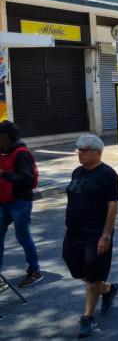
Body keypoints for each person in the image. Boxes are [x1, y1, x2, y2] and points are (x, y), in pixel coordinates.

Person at [63, 135, 118, 338]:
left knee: (94, 273)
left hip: (96, 234)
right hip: (73, 232)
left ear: (98, 152)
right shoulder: (77, 172)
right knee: (75, 268)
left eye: (85, 150)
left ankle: (88, 317)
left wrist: (106, 235)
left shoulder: (108, 174)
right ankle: (107, 289)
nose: (80, 153)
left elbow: (112, 206)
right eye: (78, 149)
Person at [0, 120, 42, 289]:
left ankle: (34, 270)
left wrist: (4, 174)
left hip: (20, 202)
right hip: (2, 202)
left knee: (22, 236)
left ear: (5, 137)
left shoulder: (21, 153)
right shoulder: (2, 151)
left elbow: (28, 178)